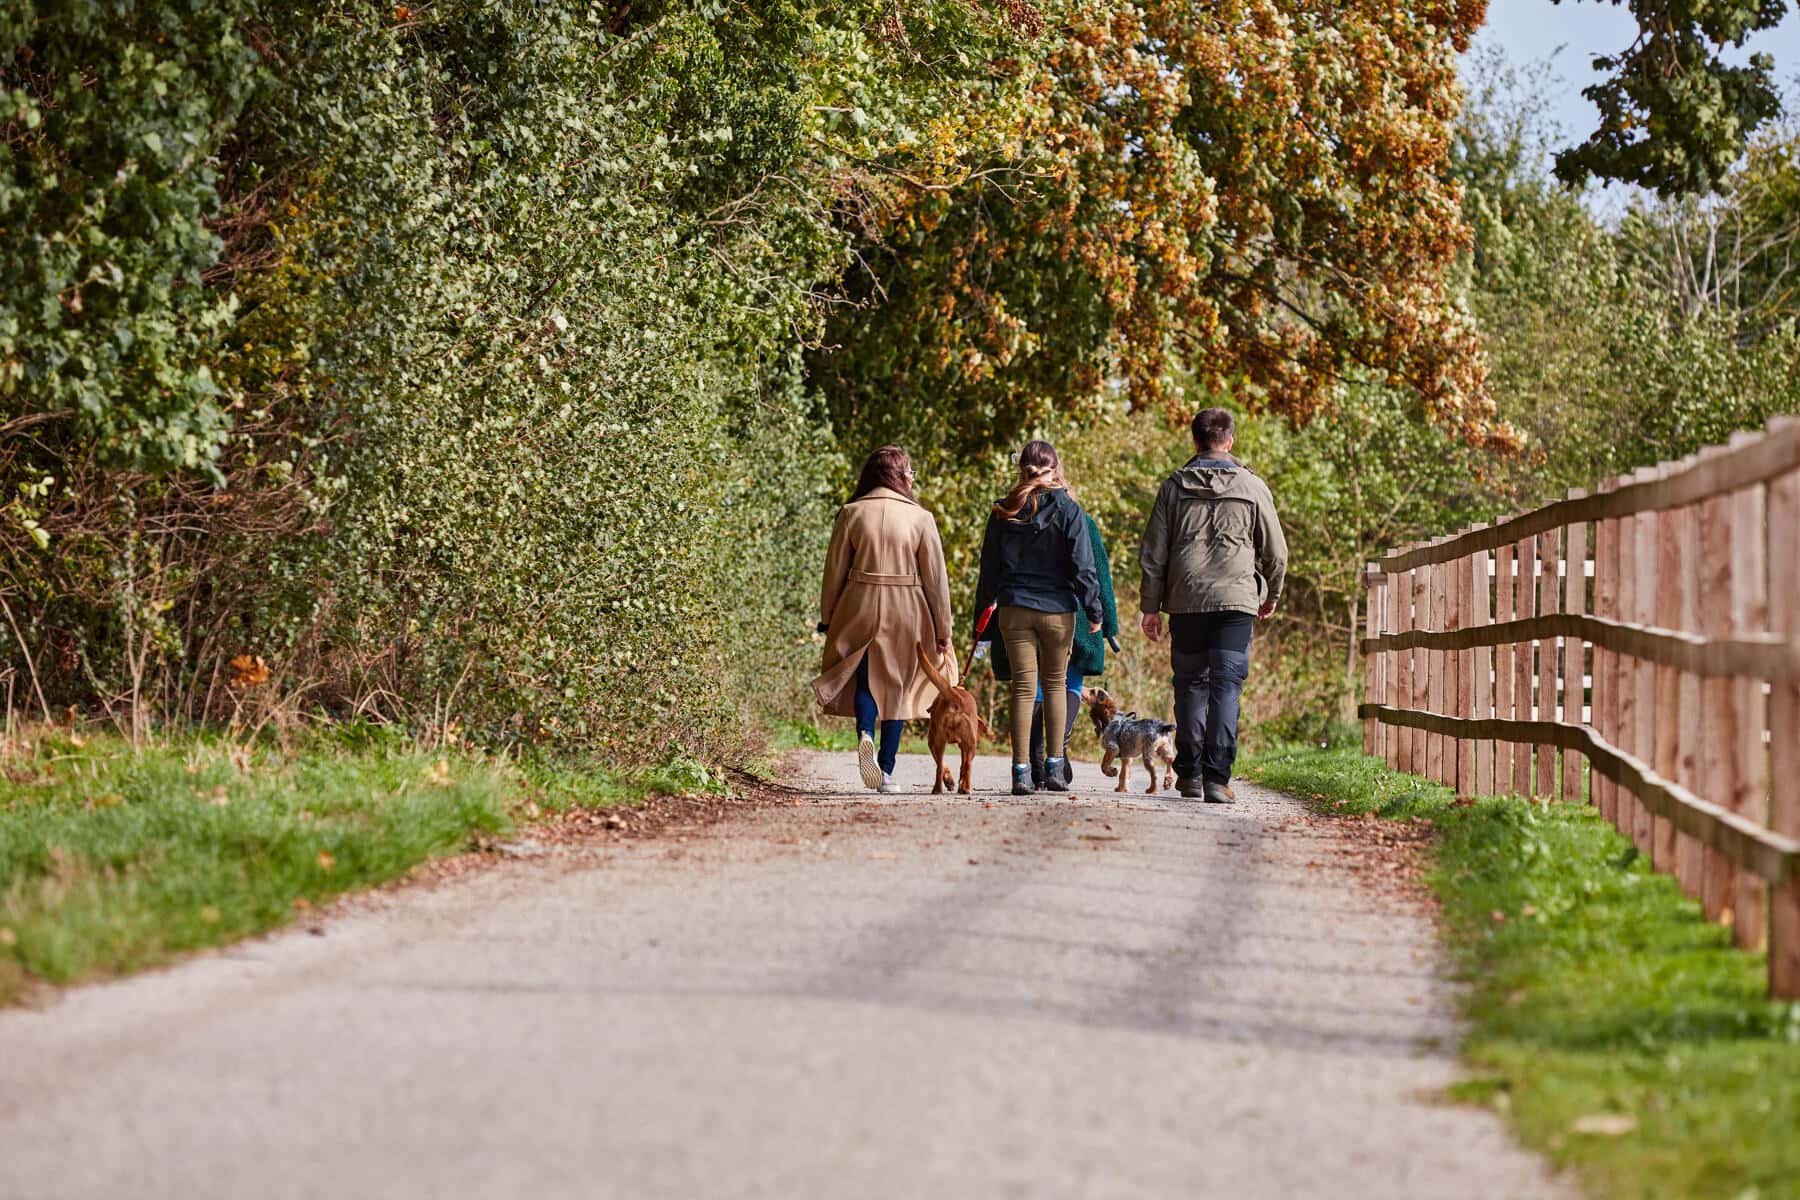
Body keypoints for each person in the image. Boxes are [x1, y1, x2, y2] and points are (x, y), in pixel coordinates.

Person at [1138, 408, 1288, 803]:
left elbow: (1153, 553)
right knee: (1226, 687)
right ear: (1230, 440)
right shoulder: (1253, 486)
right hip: (1236, 601)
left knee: (1190, 685)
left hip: (1186, 601)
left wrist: (1150, 607)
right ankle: (1216, 780)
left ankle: (1188, 774)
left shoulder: (1173, 487)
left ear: (1195, 441)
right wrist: (1271, 594)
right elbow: (1276, 552)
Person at [815, 446, 955, 794]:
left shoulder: (851, 512)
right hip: (906, 605)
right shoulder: (921, 518)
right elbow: (935, 580)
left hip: (858, 601)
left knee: (864, 678)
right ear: (901, 475)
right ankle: (887, 771)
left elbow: (834, 571)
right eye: (911, 472)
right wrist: (943, 628)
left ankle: (865, 732)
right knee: (898, 687)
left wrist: (827, 616)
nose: (912, 478)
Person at [973, 441, 1104, 796]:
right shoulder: (1069, 510)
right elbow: (1084, 566)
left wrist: (979, 623)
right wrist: (1094, 611)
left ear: (1022, 469)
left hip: (1014, 610)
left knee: (1023, 689)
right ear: (1056, 469)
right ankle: (1054, 767)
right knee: (1056, 685)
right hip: (1058, 611)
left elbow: (989, 572)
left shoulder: (1003, 511)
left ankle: (1020, 773)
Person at [986, 507, 1120, 787]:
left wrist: (983, 620)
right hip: (1069, 612)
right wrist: (1106, 620)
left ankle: (1030, 765)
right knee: (1065, 684)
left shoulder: (1009, 513)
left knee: (1029, 686)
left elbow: (990, 569)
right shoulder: (1079, 517)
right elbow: (1096, 572)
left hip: (1019, 606)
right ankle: (1056, 755)